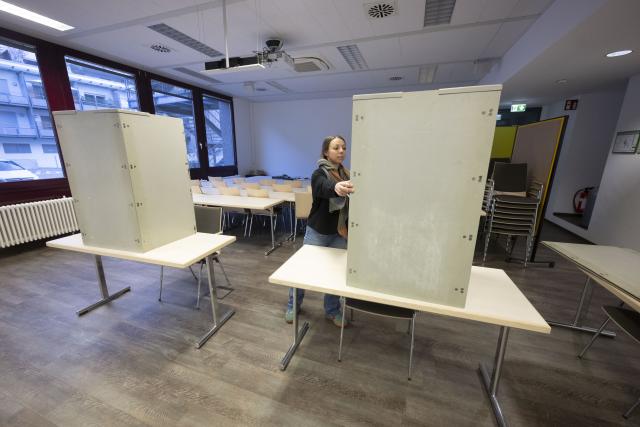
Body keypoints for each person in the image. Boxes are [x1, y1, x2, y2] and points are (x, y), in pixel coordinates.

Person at [285, 135, 355, 327]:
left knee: (336, 274)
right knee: (302, 271)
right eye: (336, 148)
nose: (341, 151)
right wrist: (337, 187)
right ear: (326, 152)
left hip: (340, 232)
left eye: (343, 147)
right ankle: (293, 305)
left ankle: (332, 310)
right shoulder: (319, 174)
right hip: (318, 231)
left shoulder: (348, 174)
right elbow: (324, 188)